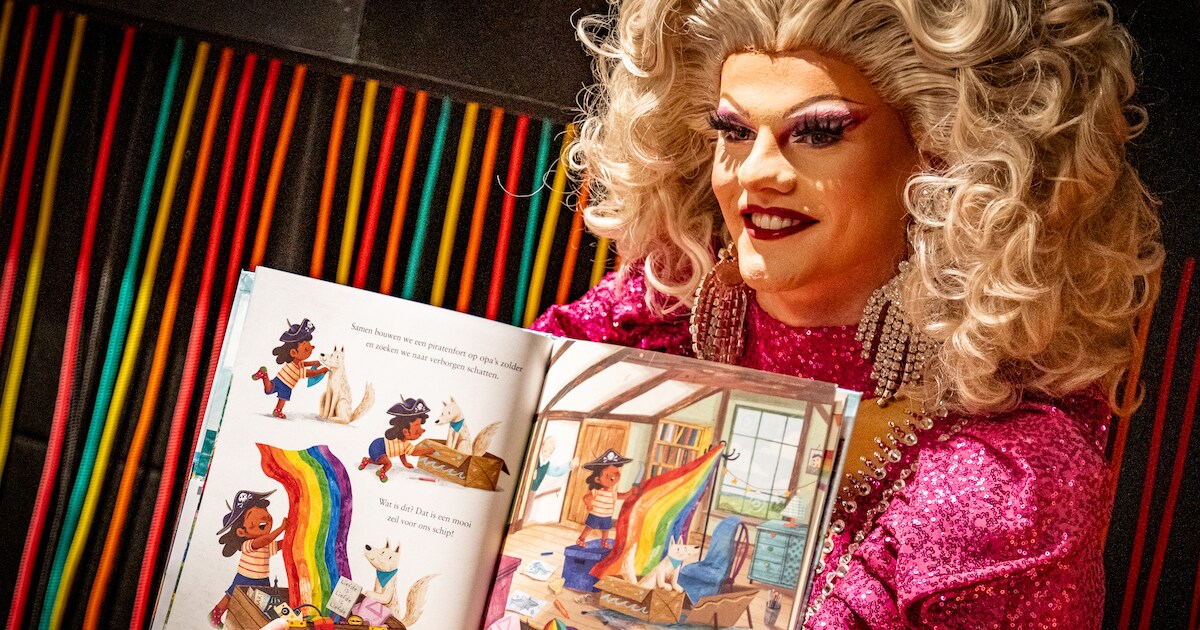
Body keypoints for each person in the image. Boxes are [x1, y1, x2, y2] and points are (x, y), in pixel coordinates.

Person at [534, 0, 1163, 626]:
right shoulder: (642, 323)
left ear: (939, 155)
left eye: (818, 133)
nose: (757, 171)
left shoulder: (999, 487)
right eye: (734, 131)